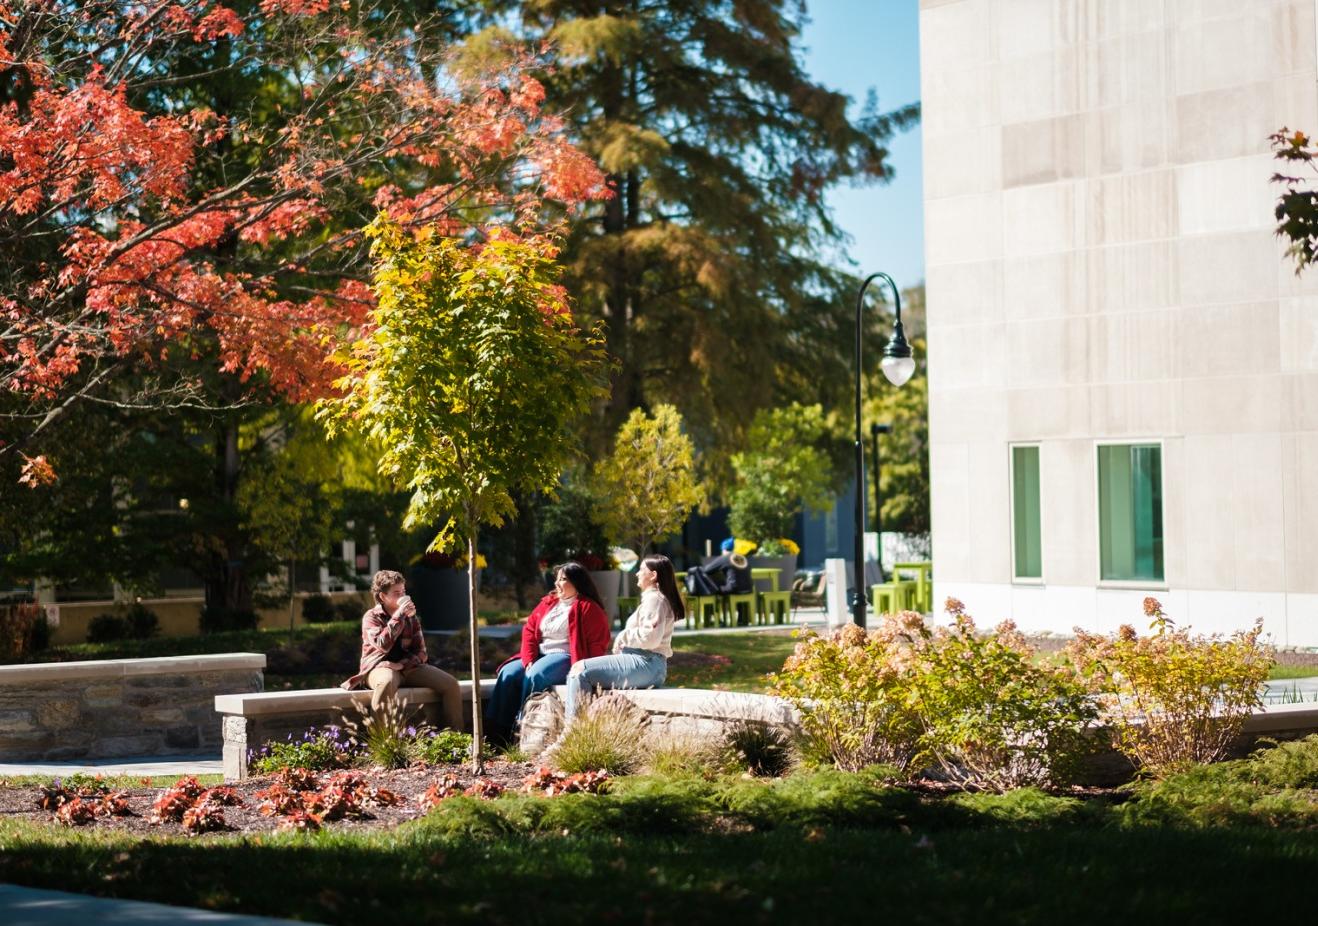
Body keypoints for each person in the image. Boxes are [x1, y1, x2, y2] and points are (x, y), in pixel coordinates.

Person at [484, 561, 611, 744]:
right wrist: (528, 659)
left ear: (577, 582)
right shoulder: (549, 603)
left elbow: (598, 642)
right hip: (540, 655)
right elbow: (529, 630)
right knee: (508, 673)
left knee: (537, 675)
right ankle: (496, 732)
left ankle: (522, 727)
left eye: (563, 579)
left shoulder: (589, 608)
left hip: (567, 657)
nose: (557, 584)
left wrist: (587, 670)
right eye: (557, 579)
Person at [562, 554, 682, 722]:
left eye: (641, 570)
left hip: (646, 663)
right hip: (648, 664)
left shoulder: (655, 599)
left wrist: (623, 637)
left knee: (579, 670)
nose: (637, 574)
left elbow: (650, 639)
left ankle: (571, 732)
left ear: (653, 575)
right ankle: (580, 729)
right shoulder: (654, 599)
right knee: (582, 670)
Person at [341, 569, 462, 731]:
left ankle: (455, 739)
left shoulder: (411, 617)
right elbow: (382, 644)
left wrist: (401, 665)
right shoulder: (372, 617)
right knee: (386, 683)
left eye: (403, 591)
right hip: (378, 667)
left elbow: (422, 653)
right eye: (396, 593)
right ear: (383, 596)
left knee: (451, 685)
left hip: (407, 667)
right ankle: (381, 743)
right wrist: (399, 615)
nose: (402, 596)